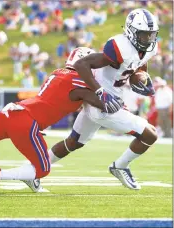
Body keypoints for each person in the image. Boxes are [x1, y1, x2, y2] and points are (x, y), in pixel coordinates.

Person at [0, 47, 122, 195]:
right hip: (25, 121)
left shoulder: (57, 73)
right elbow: (105, 104)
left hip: (11, 112)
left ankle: (30, 179)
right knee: (43, 168)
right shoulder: (78, 81)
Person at [26, 8, 159, 192]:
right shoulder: (119, 47)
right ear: (132, 31)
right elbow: (82, 64)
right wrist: (100, 91)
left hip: (109, 99)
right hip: (103, 104)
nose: (149, 40)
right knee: (150, 134)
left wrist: (140, 77)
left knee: (73, 142)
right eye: (144, 35)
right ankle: (120, 166)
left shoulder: (148, 48)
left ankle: (32, 172)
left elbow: (139, 65)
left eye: (151, 35)